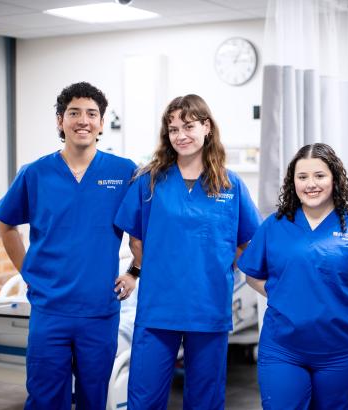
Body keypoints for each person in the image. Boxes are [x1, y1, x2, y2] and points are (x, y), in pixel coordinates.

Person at [0, 82, 138, 409]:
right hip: (50, 309)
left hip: (99, 310)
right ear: (60, 120)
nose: (82, 120)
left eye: (91, 113)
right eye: (73, 113)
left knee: (93, 397)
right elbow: (7, 225)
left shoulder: (123, 172)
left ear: (102, 123)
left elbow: (141, 231)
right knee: (45, 398)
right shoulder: (35, 173)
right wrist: (29, 273)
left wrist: (134, 272)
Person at [114, 94, 261, 409]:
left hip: (208, 307)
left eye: (189, 126)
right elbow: (135, 240)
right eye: (173, 129)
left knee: (206, 400)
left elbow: (248, 243)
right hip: (158, 307)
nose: (180, 135)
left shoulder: (230, 185)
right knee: (144, 397)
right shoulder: (149, 181)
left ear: (207, 127)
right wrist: (137, 271)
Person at [237, 143, 348, 410]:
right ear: (293, 183)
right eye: (302, 177)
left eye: (319, 175)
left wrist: (346, 302)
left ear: (335, 179)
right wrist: (285, 295)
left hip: (341, 351)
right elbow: (251, 274)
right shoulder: (274, 226)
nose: (310, 184)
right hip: (283, 348)